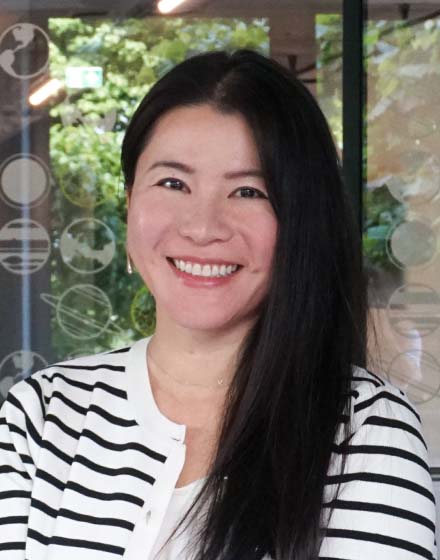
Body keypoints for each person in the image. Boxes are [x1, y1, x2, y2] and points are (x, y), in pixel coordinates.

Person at [0, 49, 436, 560]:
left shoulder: (365, 432)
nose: (203, 227)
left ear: (300, 219)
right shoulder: (43, 416)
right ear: (130, 198)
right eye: (173, 183)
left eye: (249, 191)